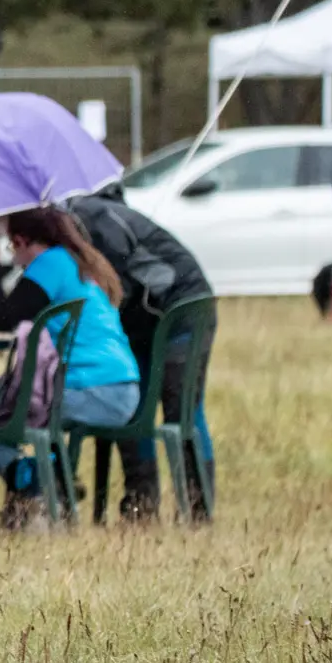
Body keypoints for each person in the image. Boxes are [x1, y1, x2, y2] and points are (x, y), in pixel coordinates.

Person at [0, 206, 141, 525]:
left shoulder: (49, 263)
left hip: (87, 389)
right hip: (121, 389)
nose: (13, 258)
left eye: (10, 248)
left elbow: (4, 322)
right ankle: (35, 482)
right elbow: (15, 313)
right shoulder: (76, 263)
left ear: (21, 241)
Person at [71, 186, 215, 520]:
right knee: (132, 406)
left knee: (182, 410)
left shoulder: (95, 216)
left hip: (184, 309)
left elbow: (118, 282)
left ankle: (198, 508)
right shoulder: (86, 218)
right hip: (141, 318)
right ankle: (140, 504)